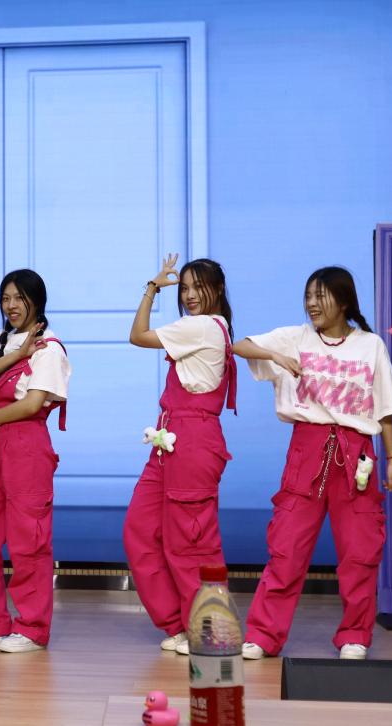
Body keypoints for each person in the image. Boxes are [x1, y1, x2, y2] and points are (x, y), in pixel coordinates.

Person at [234, 266, 392, 660]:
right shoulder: (295, 338)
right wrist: (275, 355)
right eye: (308, 296)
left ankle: (354, 635)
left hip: (356, 453)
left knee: (360, 551)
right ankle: (264, 635)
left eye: (320, 295)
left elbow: (385, 408)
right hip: (306, 450)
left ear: (343, 301)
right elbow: (239, 346)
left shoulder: (371, 345)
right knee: (287, 547)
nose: (311, 303)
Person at [123, 254, 237, 655]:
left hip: (192, 439)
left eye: (198, 287)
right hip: (169, 437)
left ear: (217, 290)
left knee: (191, 543)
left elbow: (138, 335)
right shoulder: (208, 327)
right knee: (140, 529)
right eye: (184, 288)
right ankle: (179, 624)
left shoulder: (203, 326)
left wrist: (153, 288)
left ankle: (209, 631)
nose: (189, 295)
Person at [0, 269, 71, 653]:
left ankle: (33, 628)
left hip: (26, 445)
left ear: (37, 301)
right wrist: (17, 355)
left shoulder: (50, 347)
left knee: (29, 541)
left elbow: (33, 404)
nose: (11, 305)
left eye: (19, 298)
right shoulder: (0, 340)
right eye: (6, 298)